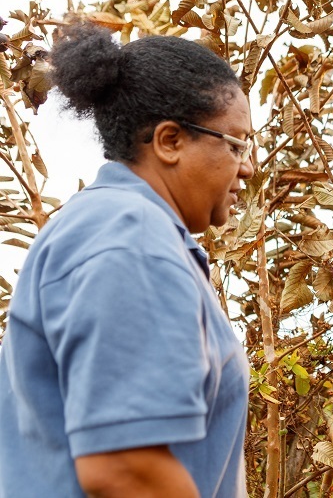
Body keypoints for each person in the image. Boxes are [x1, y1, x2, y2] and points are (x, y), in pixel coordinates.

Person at [0, 24, 254, 497]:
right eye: (236, 144)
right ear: (170, 141)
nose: (249, 165)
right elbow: (125, 469)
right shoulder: (130, 238)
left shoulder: (125, 228)